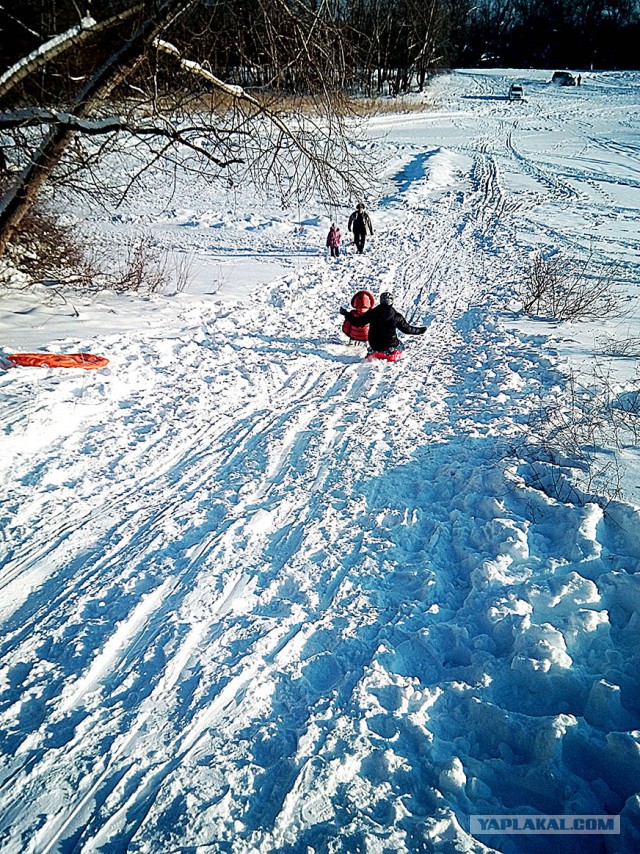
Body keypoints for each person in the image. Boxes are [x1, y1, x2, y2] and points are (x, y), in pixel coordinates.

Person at [339, 292, 426, 355]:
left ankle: (374, 350)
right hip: (389, 344)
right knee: (401, 346)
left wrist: (346, 314)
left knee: (376, 342)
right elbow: (407, 329)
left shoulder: (372, 313)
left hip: (374, 344)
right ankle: (392, 351)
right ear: (391, 302)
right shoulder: (396, 316)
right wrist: (420, 330)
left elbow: (358, 323)